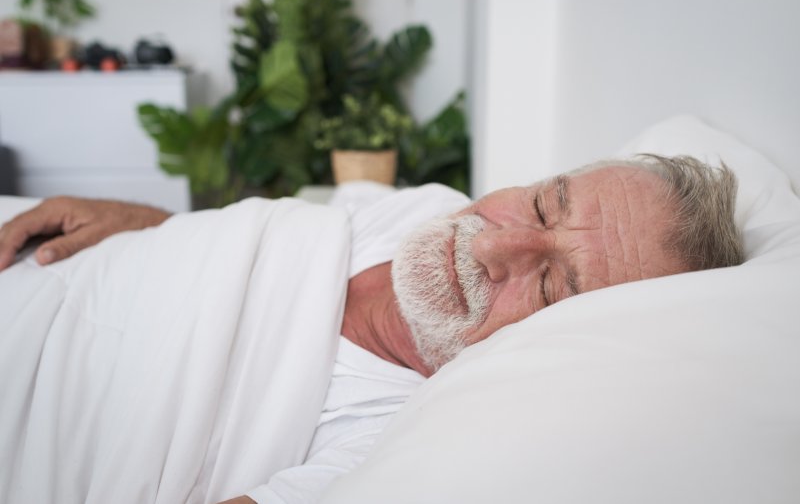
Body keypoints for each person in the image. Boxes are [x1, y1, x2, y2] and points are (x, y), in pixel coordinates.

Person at [0, 154, 743, 503]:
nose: (491, 245)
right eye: (544, 206)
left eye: (550, 285)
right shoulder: (423, 204)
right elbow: (255, 250)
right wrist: (154, 224)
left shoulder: (411, 445)